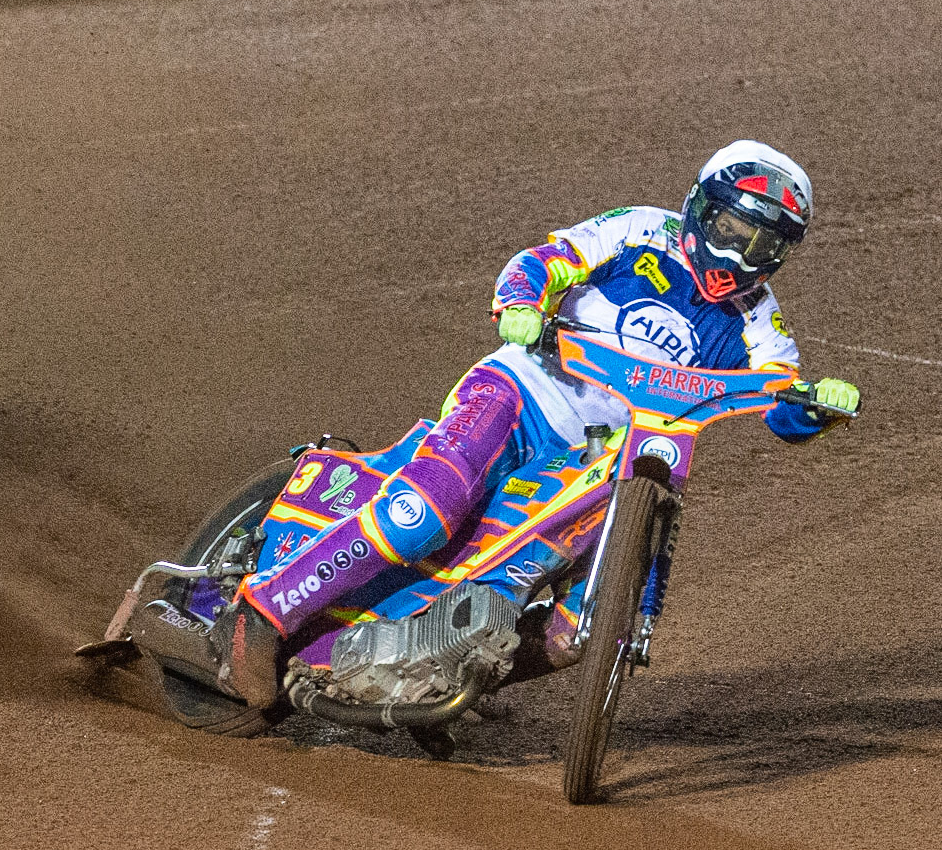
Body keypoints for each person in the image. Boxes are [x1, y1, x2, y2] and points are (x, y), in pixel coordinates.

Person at [213, 139, 861, 692]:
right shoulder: (640, 227)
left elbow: (781, 394)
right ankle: (262, 614)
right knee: (424, 511)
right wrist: (521, 300)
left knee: (582, 630)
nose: (740, 255)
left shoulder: (758, 315)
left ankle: (447, 669)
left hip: (605, 458)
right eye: (729, 230)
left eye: (763, 245)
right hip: (524, 390)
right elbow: (544, 260)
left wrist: (816, 409)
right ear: (699, 207)